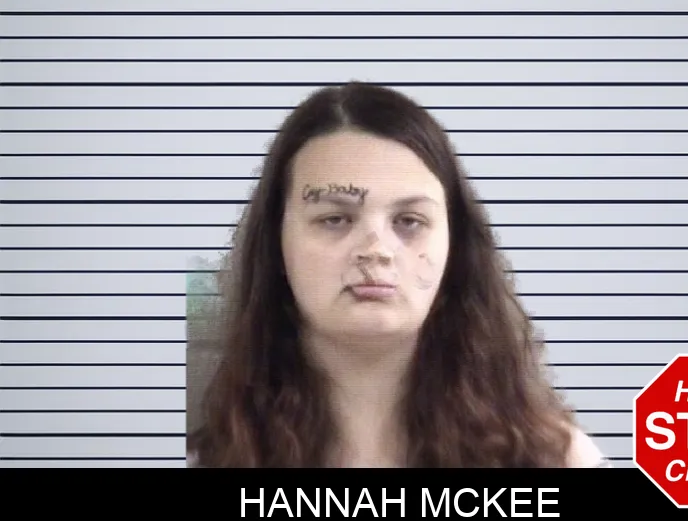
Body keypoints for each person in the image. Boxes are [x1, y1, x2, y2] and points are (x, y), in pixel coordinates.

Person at [186, 80, 609, 468]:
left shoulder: (561, 461)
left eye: (409, 221)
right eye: (335, 219)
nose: (376, 251)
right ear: (276, 244)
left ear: (455, 249)